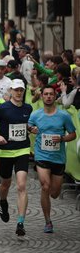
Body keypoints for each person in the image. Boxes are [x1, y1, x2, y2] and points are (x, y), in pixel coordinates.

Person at [0, 78, 33, 236]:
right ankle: (3, 202)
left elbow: (26, 126)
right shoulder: (2, 108)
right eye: (16, 90)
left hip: (22, 150)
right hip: (5, 152)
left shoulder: (28, 108)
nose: (18, 93)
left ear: (23, 92)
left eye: (21, 90)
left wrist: (31, 128)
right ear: (11, 91)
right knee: (5, 184)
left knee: (21, 185)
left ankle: (20, 222)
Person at [29, 85, 76, 233]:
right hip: (42, 155)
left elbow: (73, 134)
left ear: (55, 97)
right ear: (42, 96)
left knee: (55, 193)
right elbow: (28, 125)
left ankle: (49, 196)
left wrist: (62, 138)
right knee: (45, 186)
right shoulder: (36, 115)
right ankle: (48, 221)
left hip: (58, 158)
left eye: (51, 94)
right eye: (46, 94)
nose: (48, 96)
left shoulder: (64, 116)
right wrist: (31, 129)